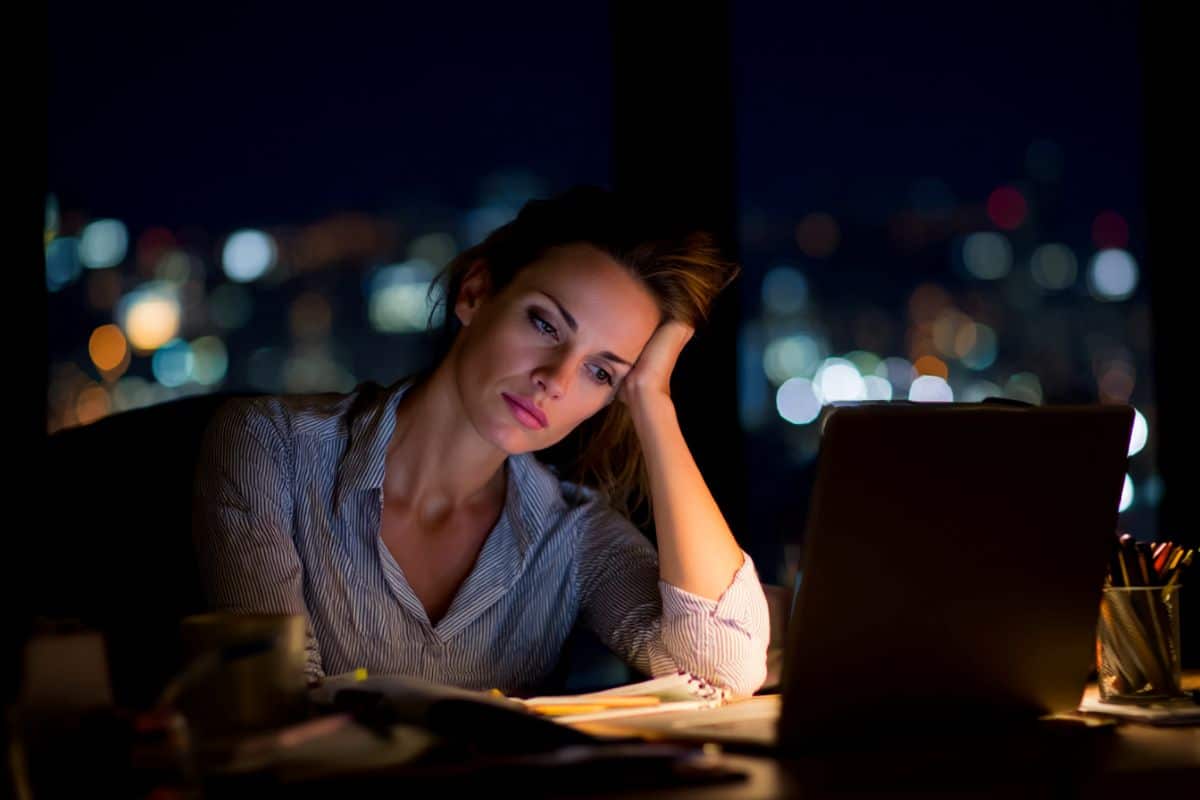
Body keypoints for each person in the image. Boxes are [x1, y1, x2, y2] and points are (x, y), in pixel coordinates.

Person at [192, 186, 770, 697]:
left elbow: (725, 668)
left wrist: (652, 401)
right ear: (475, 292)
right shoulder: (274, 448)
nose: (556, 379)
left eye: (601, 372)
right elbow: (279, 703)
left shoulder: (573, 536)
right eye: (545, 324)